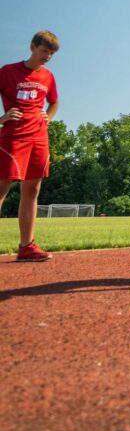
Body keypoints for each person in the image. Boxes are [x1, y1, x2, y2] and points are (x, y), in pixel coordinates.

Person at [0, 31, 60, 262]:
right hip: (14, 136)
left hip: (39, 137)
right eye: (44, 51)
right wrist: (2, 119)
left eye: (51, 54)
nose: (47, 57)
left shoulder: (48, 76)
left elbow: (54, 101)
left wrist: (49, 116)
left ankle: (26, 246)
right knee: (3, 186)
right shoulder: (8, 71)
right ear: (33, 47)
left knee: (32, 190)